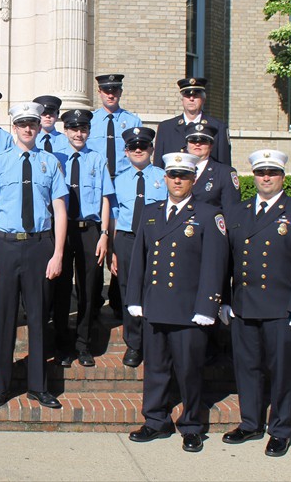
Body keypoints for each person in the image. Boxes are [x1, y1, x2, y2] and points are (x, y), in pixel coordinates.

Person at [220, 149, 291, 457]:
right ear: (254, 176)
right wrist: (224, 299)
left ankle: (280, 429)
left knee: (281, 371)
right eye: (261, 173)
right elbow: (225, 261)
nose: (266, 178)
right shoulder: (237, 212)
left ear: (282, 177)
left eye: (272, 172)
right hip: (244, 306)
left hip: (281, 309)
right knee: (247, 367)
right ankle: (250, 423)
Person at [126, 152, 228, 453]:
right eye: (173, 175)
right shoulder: (151, 212)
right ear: (165, 178)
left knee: (189, 371)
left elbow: (215, 264)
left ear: (193, 180)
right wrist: (135, 298)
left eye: (184, 176)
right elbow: (139, 259)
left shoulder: (208, 214)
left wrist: (208, 307)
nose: (178, 181)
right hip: (156, 305)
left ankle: (192, 425)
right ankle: (155, 420)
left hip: (188, 310)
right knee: (155, 368)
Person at [0, 102, 68, 409]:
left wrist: (57, 254)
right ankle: (1, 386)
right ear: (14, 128)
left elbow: (59, 210)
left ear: (39, 127)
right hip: (5, 246)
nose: (28, 129)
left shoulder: (50, 162)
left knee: (39, 318)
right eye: (22, 124)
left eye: (32, 124)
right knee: (4, 318)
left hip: (40, 246)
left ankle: (38, 386)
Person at [53, 109, 115, 368]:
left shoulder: (97, 159)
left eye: (83, 129)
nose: (79, 134)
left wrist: (104, 234)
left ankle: (83, 344)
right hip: (63, 230)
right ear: (65, 130)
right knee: (61, 289)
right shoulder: (55, 159)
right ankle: (62, 345)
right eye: (74, 129)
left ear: (89, 131)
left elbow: (105, 199)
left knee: (88, 289)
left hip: (90, 230)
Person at [110, 127, 167, 367]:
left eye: (143, 146)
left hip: (155, 240)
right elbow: (114, 216)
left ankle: (154, 340)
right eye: (133, 147)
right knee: (128, 290)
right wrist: (113, 250)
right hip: (126, 240)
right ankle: (134, 343)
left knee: (154, 288)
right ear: (126, 151)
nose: (138, 150)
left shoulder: (164, 178)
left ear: (151, 149)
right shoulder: (119, 180)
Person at [88, 74, 143, 317]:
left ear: (120, 92)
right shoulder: (90, 121)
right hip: (98, 189)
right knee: (97, 242)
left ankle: (119, 300)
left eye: (115, 90)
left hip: (123, 186)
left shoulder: (132, 121)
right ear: (99, 92)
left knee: (120, 240)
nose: (111, 94)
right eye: (106, 90)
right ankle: (94, 297)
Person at [154, 78, 231, 167]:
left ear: (203, 99)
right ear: (182, 100)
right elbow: (158, 166)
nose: (191, 99)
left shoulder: (218, 127)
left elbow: (224, 164)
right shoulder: (166, 128)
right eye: (187, 96)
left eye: (196, 96)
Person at [185, 123, 240, 210]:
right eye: (193, 140)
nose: (197, 144)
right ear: (187, 145)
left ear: (211, 146)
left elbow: (231, 209)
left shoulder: (225, 173)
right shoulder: (177, 170)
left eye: (203, 141)